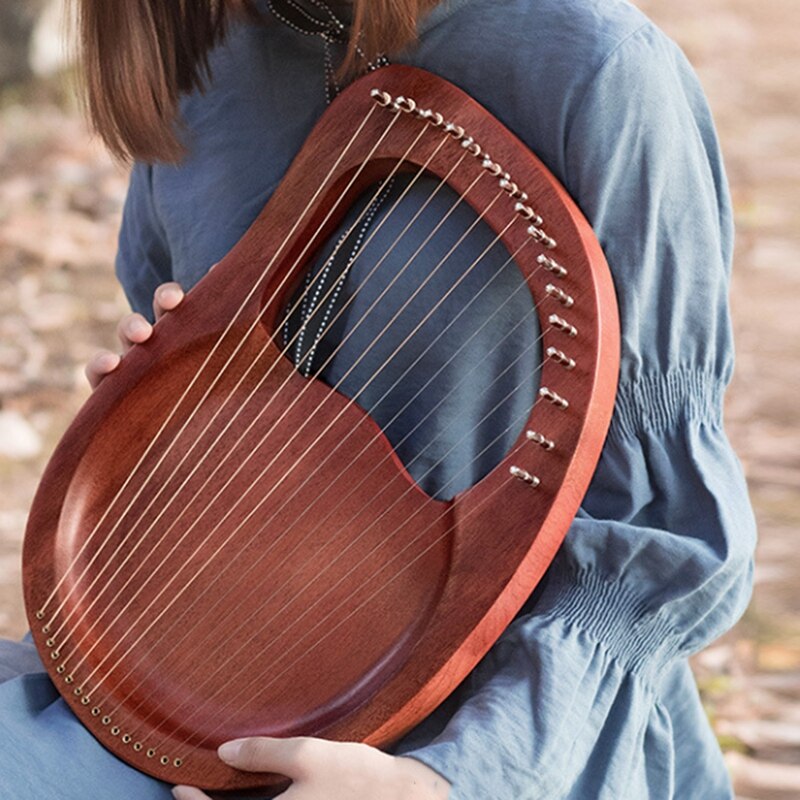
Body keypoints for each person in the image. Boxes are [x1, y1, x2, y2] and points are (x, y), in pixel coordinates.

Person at [0, 1, 756, 798]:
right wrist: (148, 434)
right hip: (181, 693)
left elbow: (663, 533)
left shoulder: (592, 66)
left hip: (494, 730)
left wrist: (447, 781)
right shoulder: (201, 73)